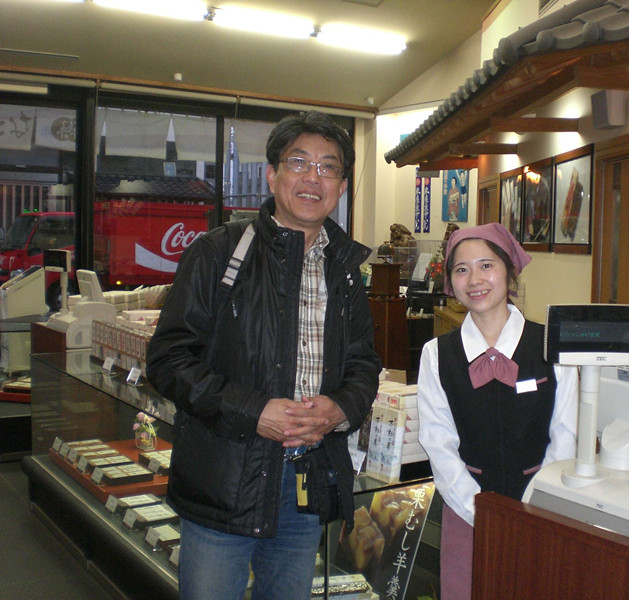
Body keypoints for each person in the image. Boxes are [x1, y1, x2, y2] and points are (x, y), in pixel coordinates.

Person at [146, 111, 381, 600]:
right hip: (225, 482)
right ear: (272, 175)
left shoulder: (345, 267)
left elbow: (363, 364)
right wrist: (255, 412)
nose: (313, 177)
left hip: (306, 483)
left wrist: (340, 408)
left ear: (341, 186)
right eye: (299, 162)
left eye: (328, 167)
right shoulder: (219, 253)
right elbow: (168, 360)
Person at [417, 223, 578, 600]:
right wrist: (481, 512)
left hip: (542, 511)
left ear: (510, 270)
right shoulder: (437, 354)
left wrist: (533, 507)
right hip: (466, 509)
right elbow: (438, 443)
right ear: (451, 281)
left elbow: (566, 435)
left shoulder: (551, 345)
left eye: (486, 265)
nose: (475, 279)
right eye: (462, 269)